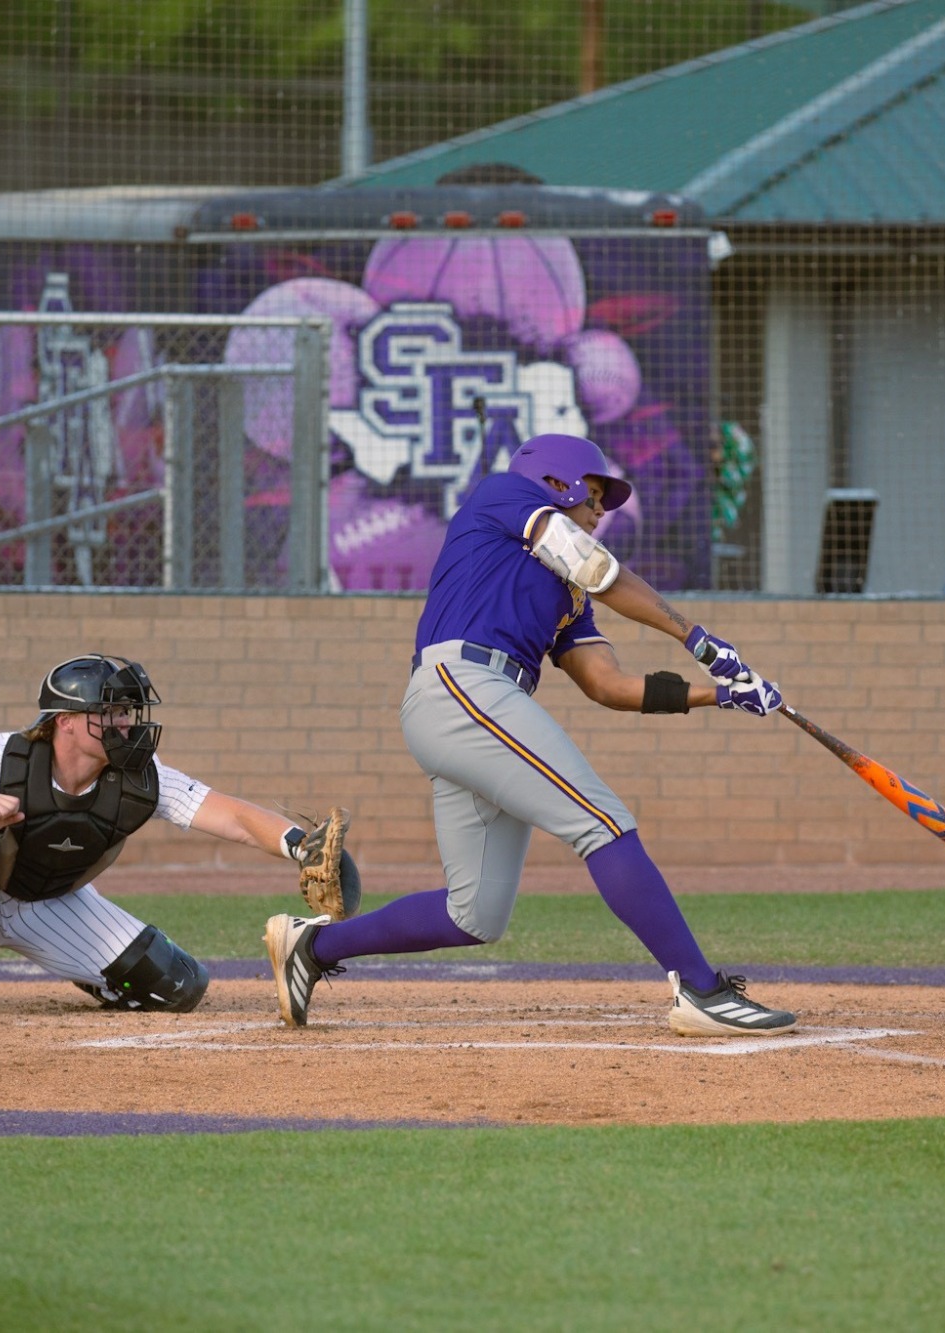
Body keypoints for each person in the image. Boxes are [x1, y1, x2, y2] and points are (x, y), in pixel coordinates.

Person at [263, 433, 798, 1038]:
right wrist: (698, 639)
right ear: (554, 482)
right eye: (593, 496)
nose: (602, 512)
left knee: (474, 915)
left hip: (476, 704)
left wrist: (722, 695)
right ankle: (699, 988)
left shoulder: (567, 593)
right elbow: (599, 569)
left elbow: (607, 684)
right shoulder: (505, 495)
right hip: (462, 684)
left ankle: (313, 948)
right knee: (603, 822)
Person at [0, 653, 357, 1026]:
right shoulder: (5, 759)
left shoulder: (140, 778)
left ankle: (95, 974)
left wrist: (296, 844)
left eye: (129, 713)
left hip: (49, 904)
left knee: (181, 986)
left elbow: (227, 814)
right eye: (110, 714)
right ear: (64, 721)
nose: (127, 726)